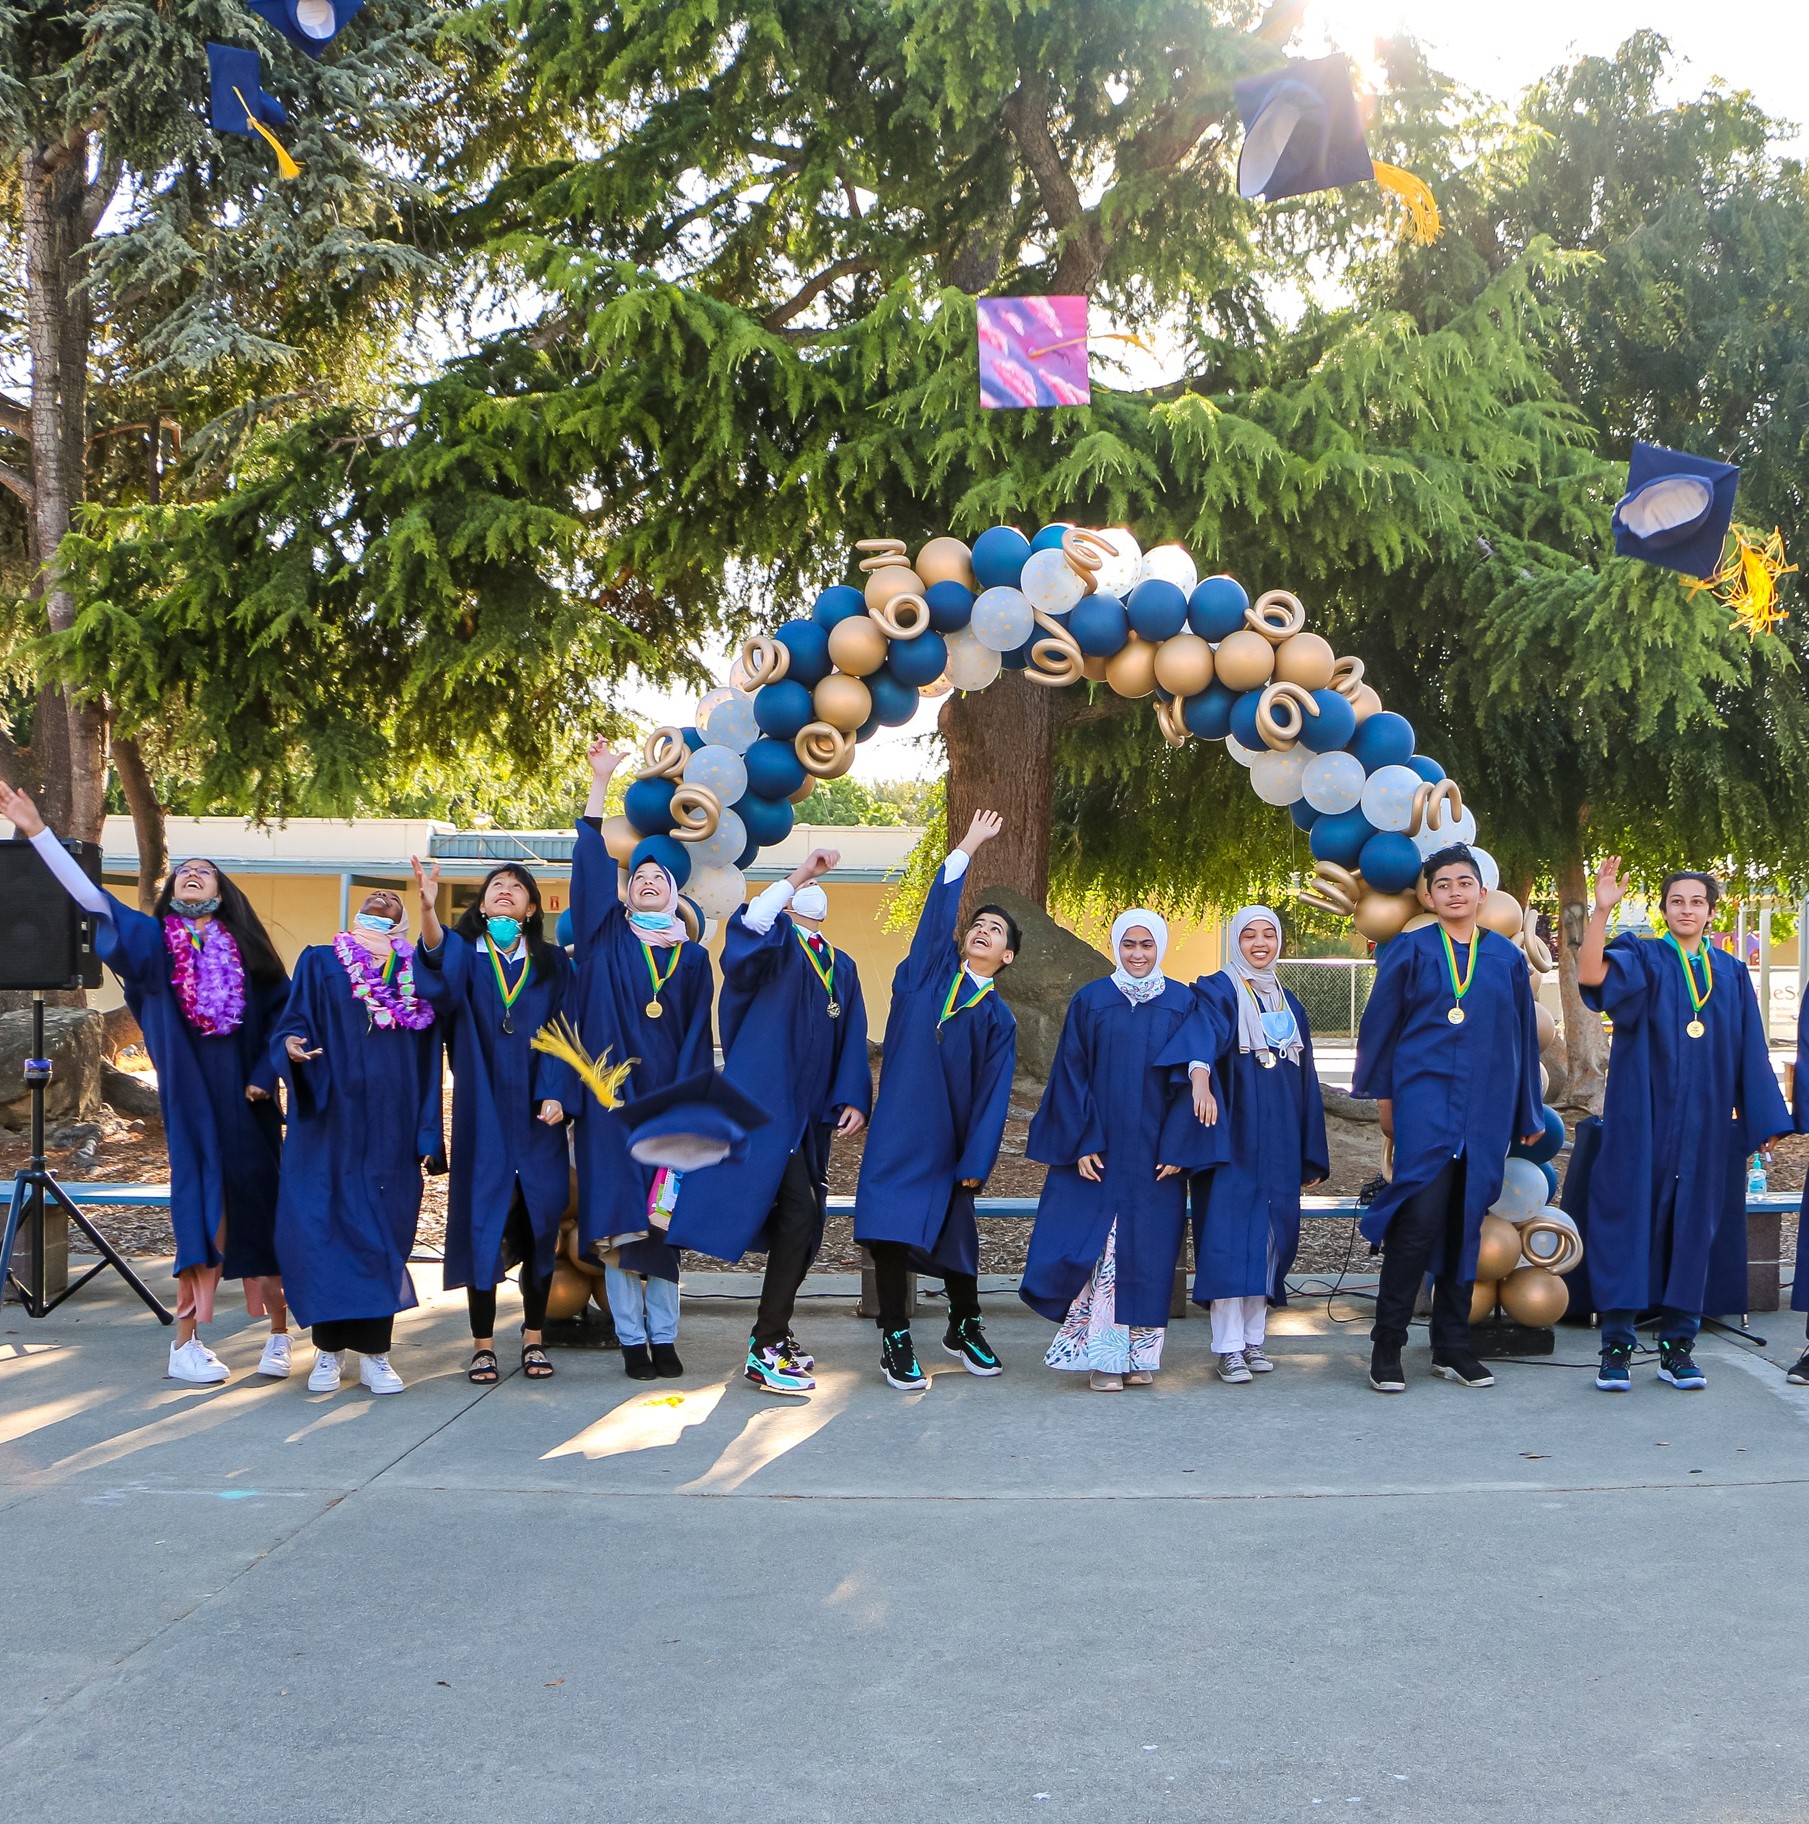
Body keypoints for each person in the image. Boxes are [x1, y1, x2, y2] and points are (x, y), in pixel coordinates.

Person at [0, 781, 293, 1386]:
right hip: (191, 1106)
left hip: (247, 1101)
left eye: (204, 871)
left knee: (265, 1207)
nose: (192, 874)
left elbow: (286, 1020)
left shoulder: (252, 956)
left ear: (223, 892)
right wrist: (37, 832)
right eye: (182, 870)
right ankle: (185, 1345)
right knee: (199, 1214)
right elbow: (92, 898)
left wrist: (267, 1075)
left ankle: (281, 1335)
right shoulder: (155, 947)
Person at [664, 845, 870, 1395]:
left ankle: (773, 1333)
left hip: (805, 1113)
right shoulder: (773, 944)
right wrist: (799, 874)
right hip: (761, 1104)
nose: (811, 898)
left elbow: (852, 1035)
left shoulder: (841, 963)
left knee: (802, 1224)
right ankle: (766, 1342)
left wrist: (852, 1095)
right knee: (799, 1213)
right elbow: (750, 926)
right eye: (802, 896)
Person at [1577, 859, 1789, 1391]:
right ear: (1664, 909)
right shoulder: (1642, 956)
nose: (1687, 909)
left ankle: (1678, 1345)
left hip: (1706, 1123)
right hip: (1641, 1118)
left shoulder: (1732, 972)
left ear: (1712, 913)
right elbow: (1589, 975)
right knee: (1629, 1221)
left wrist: (1760, 1116)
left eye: (1697, 901)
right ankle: (1618, 1347)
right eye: (1677, 901)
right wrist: (1602, 910)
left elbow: (1749, 1049)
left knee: (1695, 1229)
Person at [1352, 845, 1545, 1394]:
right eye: (1444, 884)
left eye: (1465, 883)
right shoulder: (1410, 950)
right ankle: (1386, 1344)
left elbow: (1519, 1041)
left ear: (1482, 893)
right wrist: (1385, 1101)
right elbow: (1381, 1030)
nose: (1455, 892)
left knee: (1466, 1225)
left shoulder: (1506, 959)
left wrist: (1527, 1109)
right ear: (1429, 895)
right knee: (1417, 1226)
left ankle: (1452, 1346)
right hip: (1426, 1104)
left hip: (1483, 1109)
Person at [853, 809, 1017, 1392]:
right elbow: (936, 915)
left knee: (956, 1236)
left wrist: (976, 1161)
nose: (982, 931)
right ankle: (894, 1338)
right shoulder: (925, 975)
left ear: (1007, 957)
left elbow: (995, 1094)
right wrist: (969, 845)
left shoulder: (998, 1017)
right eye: (979, 924)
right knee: (891, 1232)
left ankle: (963, 1323)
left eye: (996, 931)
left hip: (948, 1141)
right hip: (898, 1130)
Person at [571, 740, 715, 1380]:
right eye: (640, 879)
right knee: (619, 1220)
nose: (650, 882)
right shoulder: (603, 941)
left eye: (662, 879)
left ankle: (665, 1335)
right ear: (626, 894)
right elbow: (590, 871)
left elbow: (694, 1034)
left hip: (667, 1102)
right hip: (609, 1103)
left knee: (664, 1219)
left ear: (675, 894)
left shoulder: (691, 958)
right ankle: (632, 1340)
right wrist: (601, 784)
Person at [411, 856, 577, 1385]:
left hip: (536, 1115)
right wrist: (427, 906)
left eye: (517, 887)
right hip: (482, 1114)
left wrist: (557, 1092)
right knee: (482, 1228)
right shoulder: (465, 956)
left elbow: (566, 1029)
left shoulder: (552, 964)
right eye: (495, 887)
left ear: (531, 908)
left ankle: (533, 1339)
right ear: (481, 906)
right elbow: (436, 970)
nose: (505, 891)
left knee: (540, 1226)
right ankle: (482, 1345)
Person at [1021, 909, 1202, 1391]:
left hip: (1156, 1154)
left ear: (1159, 947)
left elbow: (1195, 1080)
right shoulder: (1093, 999)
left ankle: (1141, 1354)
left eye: (1146, 945)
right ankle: (1104, 1358)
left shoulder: (1182, 1002)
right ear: (1116, 947)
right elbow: (1070, 1075)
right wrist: (1082, 1141)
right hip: (1103, 1149)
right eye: (1129, 945)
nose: (1138, 954)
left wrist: (1181, 1145)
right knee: (1104, 1249)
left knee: (1151, 1250)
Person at [271, 888, 443, 1395]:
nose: (383, 895)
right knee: (325, 1232)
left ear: (403, 917)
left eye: (393, 896)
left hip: (391, 1123)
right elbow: (293, 1020)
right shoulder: (322, 961)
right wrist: (292, 1045)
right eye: (375, 895)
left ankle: (375, 1353)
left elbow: (432, 1055)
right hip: (330, 1119)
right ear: (357, 913)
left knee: (383, 1236)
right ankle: (327, 1352)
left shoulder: (417, 974)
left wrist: (427, 1128)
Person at [1171, 905, 1329, 1383]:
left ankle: (1254, 1340)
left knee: (1269, 1239)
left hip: (1279, 1137)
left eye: (1268, 935)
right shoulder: (1218, 990)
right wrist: (1199, 1079)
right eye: (1248, 936)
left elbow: (1307, 1082)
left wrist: (1309, 1147)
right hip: (1234, 1135)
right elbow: (1200, 1037)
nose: (1259, 944)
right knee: (1228, 1239)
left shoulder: (1289, 1002)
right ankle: (1228, 1348)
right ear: (1235, 942)